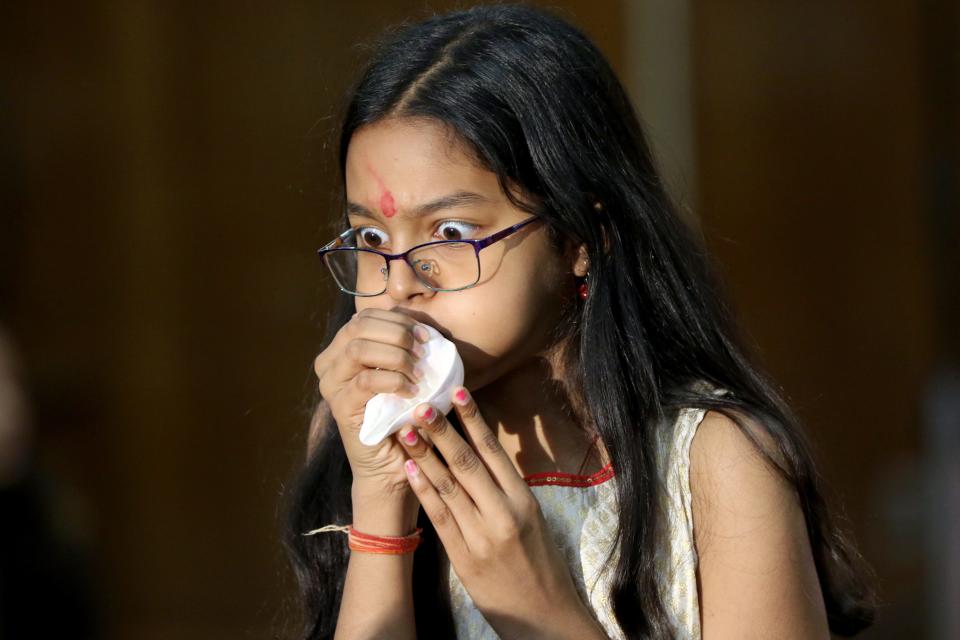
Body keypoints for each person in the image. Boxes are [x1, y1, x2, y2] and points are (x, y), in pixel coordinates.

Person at [283, 4, 878, 638]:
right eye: (370, 237)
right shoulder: (359, 432)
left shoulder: (711, 462)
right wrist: (381, 515)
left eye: (450, 233)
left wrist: (542, 611)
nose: (397, 283)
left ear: (580, 236)